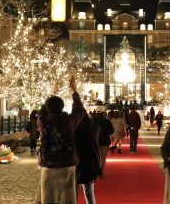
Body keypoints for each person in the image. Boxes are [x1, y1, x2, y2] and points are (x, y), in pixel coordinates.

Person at [36, 76, 85, 204]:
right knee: (67, 198)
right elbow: (79, 108)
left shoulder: (42, 121)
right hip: (67, 164)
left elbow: (43, 109)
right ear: (62, 107)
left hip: (49, 164)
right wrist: (73, 89)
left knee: (48, 198)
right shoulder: (68, 122)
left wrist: (54, 90)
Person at [75, 112, 102, 204]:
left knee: (73, 190)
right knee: (89, 190)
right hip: (91, 160)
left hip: (77, 160)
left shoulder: (77, 130)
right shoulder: (94, 127)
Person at [92, 112, 114, 177]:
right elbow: (111, 131)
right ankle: (101, 170)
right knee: (103, 157)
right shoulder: (106, 121)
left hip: (94, 141)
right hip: (104, 141)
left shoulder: (93, 122)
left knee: (95, 156)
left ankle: (95, 169)